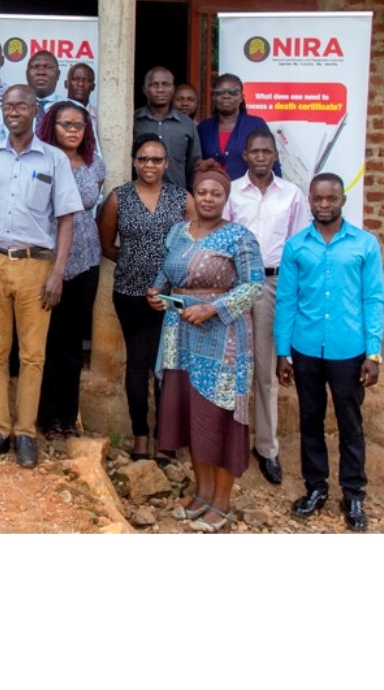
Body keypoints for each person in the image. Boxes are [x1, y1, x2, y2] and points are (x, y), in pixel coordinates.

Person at [0, 84, 83, 468]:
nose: (14, 111)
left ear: (35, 111)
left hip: (36, 266)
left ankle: (26, 432)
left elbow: (66, 219)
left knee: (32, 354)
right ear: (3, 112)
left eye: (22, 105)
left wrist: (58, 273)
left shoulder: (53, 160)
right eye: (8, 105)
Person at [148, 160, 264, 532]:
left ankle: (222, 502)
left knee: (220, 418)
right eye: (202, 192)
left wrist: (213, 307)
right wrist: (156, 291)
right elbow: (168, 271)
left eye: (216, 193)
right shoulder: (179, 232)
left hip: (223, 340)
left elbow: (254, 286)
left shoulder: (240, 237)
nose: (208, 198)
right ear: (193, 196)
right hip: (180, 337)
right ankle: (201, 494)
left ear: (226, 198)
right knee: (191, 414)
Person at [275, 173, 384, 532]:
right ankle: (316, 487)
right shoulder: (296, 247)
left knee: (350, 423)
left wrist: (374, 353)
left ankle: (353, 493)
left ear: (342, 200)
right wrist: (282, 352)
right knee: (310, 420)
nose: (324, 205)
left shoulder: (364, 244)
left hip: (348, 349)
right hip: (305, 347)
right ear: (310, 201)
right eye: (318, 199)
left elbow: (373, 299)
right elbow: (286, 301)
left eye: (331, 199)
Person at [97, 134, 192, 460]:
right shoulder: (118, 198)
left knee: (167, 365)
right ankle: (140, 437)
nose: (149, 165)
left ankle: (165, 439)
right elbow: (107, 244)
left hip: (172, 296)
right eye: (143, 159)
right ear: (135, 162)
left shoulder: (182, 199)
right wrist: (132, 264)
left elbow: (194, 244)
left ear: (166, 164)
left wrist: (170, 280)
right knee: (138, 364)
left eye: (156, 159)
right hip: (130, 293)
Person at [225, 128, 309, 484]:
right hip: (233, 283)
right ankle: (230, 445)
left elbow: (299, 247)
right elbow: (220, 237)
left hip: (272, 285)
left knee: (264, 369)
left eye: (267, 152)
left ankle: (267, 448)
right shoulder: (230, 191)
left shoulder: (292, 195)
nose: (261, 157)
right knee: (230, 366)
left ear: (275, 157)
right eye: (254, 151)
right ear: (245, 156)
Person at [35, 101, 106, 438]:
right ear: (52, 127)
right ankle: (46, 418)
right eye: (66, 124)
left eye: (79, 124)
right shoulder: (40, 160)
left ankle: (68, 416)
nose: (74, 130)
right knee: (48, 341)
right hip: (47, 260)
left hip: (86, 260)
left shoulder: (94, 162)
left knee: (73, 344)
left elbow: (91, 203)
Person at [196, 73, 276, 180]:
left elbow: (273, 163)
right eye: (220, 92)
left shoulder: (256, 125)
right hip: (211, 193)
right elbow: (196, 164)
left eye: (233, 92)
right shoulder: (203, 128)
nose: (226, 96)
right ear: (213, 97)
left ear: (241, 97)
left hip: (247, 193)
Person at [134, 66, 200, 189]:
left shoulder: (187, 124)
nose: (160, 89)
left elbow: (194, 165)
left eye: (166, 84)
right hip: (139, 196)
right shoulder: (134, 121)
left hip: (177, 196)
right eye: (154, 85)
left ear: (173, 89)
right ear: (144, 89)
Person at [26, 50, 65, 120]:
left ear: (58, 74)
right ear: (27, 74)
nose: (41, 72)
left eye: (48, 67)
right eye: (35, 66)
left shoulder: (75, 108)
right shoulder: (9, 110)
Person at [66, 63, 98, 132]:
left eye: (86, 80)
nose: (81, 84)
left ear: (93, 87)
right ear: (66, 84)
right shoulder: (54, 114)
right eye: (75, 79)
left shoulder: (101, 117)